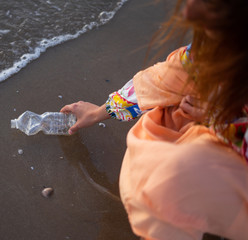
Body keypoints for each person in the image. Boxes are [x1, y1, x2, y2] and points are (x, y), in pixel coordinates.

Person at [60, 0, 248, 239]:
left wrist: (218, 117)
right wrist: (100, 111)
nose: (188, 12)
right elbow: (162, 80)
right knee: (168, 110)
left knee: (173, 176)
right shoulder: (216, 46)